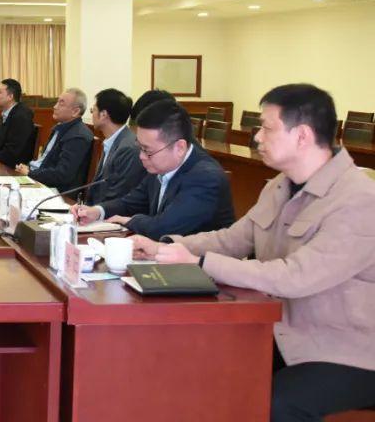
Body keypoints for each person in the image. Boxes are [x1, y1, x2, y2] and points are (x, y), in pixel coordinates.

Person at [129, 84, 375, 421]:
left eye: (267, 128)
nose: (256, 137)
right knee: (197, 360)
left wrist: (200, 263)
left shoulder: (359, 200)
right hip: (284, 330)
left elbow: (295, 276)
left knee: (275, 403)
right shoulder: (280, 186)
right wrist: (165, 246)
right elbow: (234, 239)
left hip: (347, 350)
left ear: (302, 136)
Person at [71, 99, 234, 239]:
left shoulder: (206, 177)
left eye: (147, 150)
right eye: (140, 148)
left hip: (199, 264)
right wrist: (97, 211)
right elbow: (131, 202)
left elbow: (165, 227)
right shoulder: (160, 165)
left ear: (179, 148)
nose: (142, 156)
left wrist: (130, 221)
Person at [14, 88, 94, 193]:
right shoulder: (60, 127)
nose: (55, 106)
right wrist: (28, 169)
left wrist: (30, 173)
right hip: (40, 180)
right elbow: (44, 161)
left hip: (56, 192)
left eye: (61, 103)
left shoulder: (78, 136)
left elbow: (62, 175)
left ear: (75, 111)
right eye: (57, 102)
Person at [84, 88, 145, 205]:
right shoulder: (113, 141)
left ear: (103, 115)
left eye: (93, 110)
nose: (92, 115)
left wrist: (93, 210)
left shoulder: (128, 148)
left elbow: (118, 196)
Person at [0, 78, 35, 167]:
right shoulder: (5, 113)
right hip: (0, 160)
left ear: (10, 96)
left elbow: (13, 151)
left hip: (12, 166)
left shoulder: (21, 116)